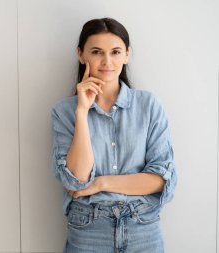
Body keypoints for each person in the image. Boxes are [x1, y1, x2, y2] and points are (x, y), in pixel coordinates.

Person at [51, 17, 177, 253]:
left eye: (116, 52)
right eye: (97, 51)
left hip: (143, 228)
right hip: (88, 229)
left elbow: (161, 179)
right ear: (81, 55)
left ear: (127, 55)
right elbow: (76, 181)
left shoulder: (149, 105)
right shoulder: (64, 111)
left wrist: (100, 183)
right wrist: (81, 112)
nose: (107, 61)